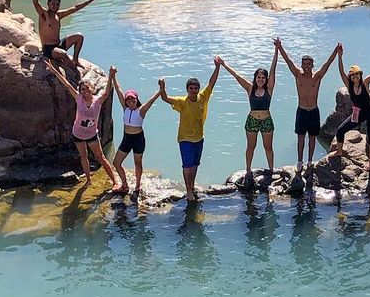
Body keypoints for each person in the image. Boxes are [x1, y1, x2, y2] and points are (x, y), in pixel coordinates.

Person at [44, 59, 118, 187]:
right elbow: (67, 85)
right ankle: (88, 180)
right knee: (83, 156)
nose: (85, 91)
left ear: (92, 88)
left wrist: (111, 75)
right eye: (82, 89)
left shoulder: (98, 101)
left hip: (92, 135)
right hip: (78, 134)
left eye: (87, 88)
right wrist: (54, 71)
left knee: (101, 157)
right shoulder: (79, 99)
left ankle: (115, 181)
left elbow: (106, 92)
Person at [159, 58, 222, 201]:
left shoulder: (203, 97)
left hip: (199, 138)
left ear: (198, 89)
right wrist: (162, 88)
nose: (193, 91)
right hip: (185, 138)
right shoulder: (182, 102)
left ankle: (192, 185)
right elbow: (165, 98)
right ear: (187, 90)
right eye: (190, 88)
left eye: (195, 88)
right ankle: (188, 190)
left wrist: (217, 67)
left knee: (195, 165)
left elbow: (212, 82)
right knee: (187, 166)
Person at [275, 38, 342, 170]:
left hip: (313, 111)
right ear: (301, 64)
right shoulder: (297, 75)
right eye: (304, 64)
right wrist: (280, 47)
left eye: (308, 64)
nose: (306, 66)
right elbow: (288, 61)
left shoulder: (317, 76)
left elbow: (327, 64)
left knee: (312, 138)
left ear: (312, 65)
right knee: (300, 138)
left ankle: (310, 161)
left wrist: (336, 51)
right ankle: (300, 162)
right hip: (301, 111)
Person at [328, 46, 370, 189]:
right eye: (353, 75)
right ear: (351, 77)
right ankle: (339, 151)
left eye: (357, 75)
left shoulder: (365, 82)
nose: (355, 77)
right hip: (358, 113)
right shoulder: (349, 85)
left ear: (360, 75)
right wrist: (340, 56)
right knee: (340, 130)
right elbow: (340, 72)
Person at [219, 47, 280, 182]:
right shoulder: (250, 88)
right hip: (252, 120)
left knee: (268, 147)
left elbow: (273, 69)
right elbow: (237, 75)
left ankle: (270, 170)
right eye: (258, 77)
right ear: (255, 78)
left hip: (266, 120)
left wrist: (276, 52)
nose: (261, 80)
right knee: (250, 147)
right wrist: (224, 64)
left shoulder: (269, 88)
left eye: (263, 78)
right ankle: (248, 170)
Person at [29, 0, 98, 69]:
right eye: (52, 4)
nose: (55, 6)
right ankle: (74, 73)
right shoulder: (44, 15)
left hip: (59, 44)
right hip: (49, 49)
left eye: (57, 4)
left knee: (79, 36)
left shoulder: (59, 15)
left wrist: (90, 0)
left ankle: (75, 60)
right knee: (64, 54)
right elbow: (36, 3)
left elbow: (75, 8)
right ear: (48, 4)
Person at [110, 71, 161, 198]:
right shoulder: (125, 108)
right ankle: (125, 185)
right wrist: (113, 76)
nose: (130, 101)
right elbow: (119, 91)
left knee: (137, 163)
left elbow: (151, 101)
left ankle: (138, 185)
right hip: (127, 138)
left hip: (138, 139)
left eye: (133, 98)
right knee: (116, 162)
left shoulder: (141, 110)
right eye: (128, 99)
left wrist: (161, 90)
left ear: (137, 99)